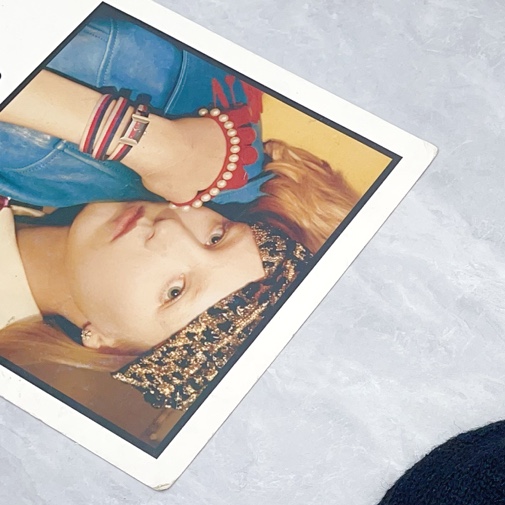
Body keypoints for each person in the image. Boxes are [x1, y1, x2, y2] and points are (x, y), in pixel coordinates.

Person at [0, 11, 359, 440]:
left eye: (175, 291)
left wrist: (148, 141)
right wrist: (194, 154)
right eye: (217, 236)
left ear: (109, 342)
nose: (170, 232)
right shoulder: (52, 192)